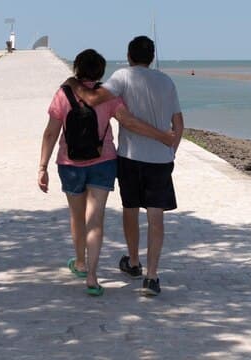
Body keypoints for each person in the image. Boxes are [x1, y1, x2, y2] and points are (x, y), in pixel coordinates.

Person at [38, 49, 175, 296]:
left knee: (76, 215)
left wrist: (42, 166)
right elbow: (130, 122)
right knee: (95, 219)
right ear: (101, 71)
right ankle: (92, 276)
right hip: (103, 163)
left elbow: (51, 132)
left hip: (69, 164)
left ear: (77, 69)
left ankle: (80, 263)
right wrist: (162, 136)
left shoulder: (63, 93)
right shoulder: (108, 97)